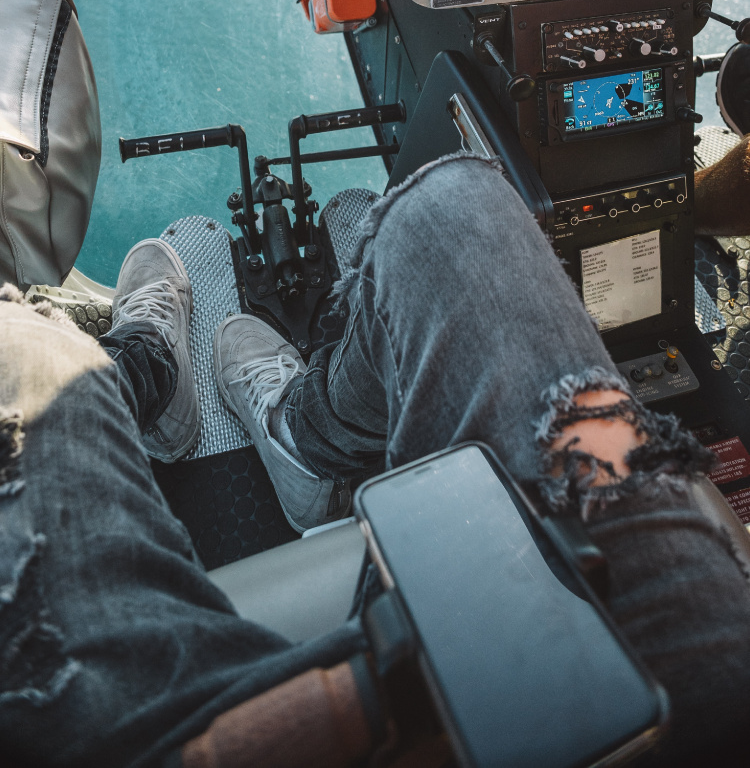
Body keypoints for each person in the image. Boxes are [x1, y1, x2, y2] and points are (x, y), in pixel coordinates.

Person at [2, 151, 750, 768]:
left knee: (28, 351)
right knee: (452, 206)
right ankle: (308, 428)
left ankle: (147, 376)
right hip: (702, 698)